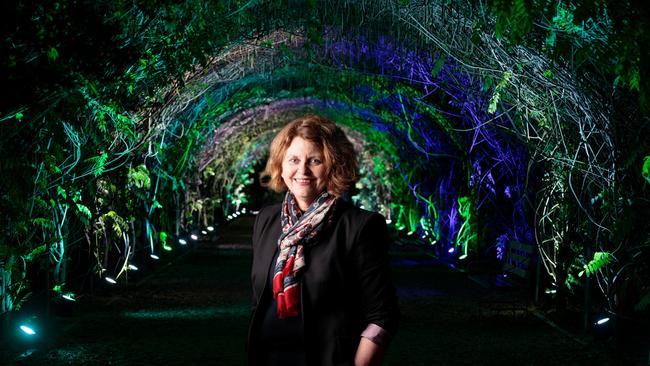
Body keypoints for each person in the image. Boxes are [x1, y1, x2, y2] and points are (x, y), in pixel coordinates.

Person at [248, 115, 399, 366]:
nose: (302, 171)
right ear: (281, 166)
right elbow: (260, 300)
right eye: (293, 160)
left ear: (332, 166)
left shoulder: (359, 226)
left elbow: (383, 317)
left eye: (315, 161)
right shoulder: (266, 220)